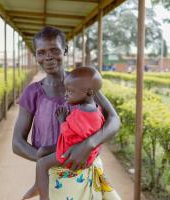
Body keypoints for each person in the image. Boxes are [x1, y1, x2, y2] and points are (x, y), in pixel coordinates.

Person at [12, 26, 121, 199]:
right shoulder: (32, 92)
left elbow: (114, 120)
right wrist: (55, 160)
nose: (48, 57)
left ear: (65, 50)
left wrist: (88, 145)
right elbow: (17, 143)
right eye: (41, 52)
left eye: (54, 50)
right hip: (52, 174)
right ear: (36, 56)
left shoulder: (83, 82)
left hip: (85, 168)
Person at [22, 67, 120, 200]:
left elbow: (69, 133)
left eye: (70, 92)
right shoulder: (94, 108)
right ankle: (38, 184)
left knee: (42, 164)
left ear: (89, 92)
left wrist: (62, 120)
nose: (66, 95)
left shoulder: (81, 113)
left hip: (72, 152)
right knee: (42, 151)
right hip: (70, 146)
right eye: (66, 90)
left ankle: (43, 195)